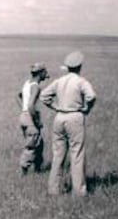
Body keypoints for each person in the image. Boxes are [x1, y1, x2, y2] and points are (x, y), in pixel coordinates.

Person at [41, 51, 96, 197]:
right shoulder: (81, 81)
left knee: (58, 155)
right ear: (80, 66)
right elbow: (91, 96)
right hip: (74, 117)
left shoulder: (59, 81)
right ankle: (78, 192)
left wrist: (55, 107)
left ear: (67, 66)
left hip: (59, 118)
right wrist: (87, 108)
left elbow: (44, 96)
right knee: (77, 154)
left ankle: (53, 190)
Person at [17, 62, 49, 175]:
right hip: (30, 118)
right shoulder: (36, 86)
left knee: (39, 145)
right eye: (45, 71)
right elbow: (31, 105)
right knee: (31, 145)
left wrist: (23, 110)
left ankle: (38, 169)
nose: (46, 73)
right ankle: (22, 172)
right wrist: (37, 121)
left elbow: (19, 96)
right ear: (40, 73)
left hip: (24, 117)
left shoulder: (27, 83)